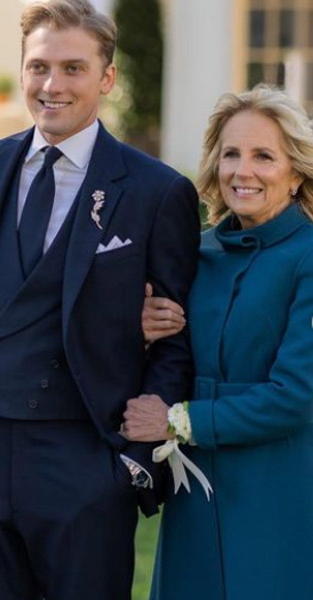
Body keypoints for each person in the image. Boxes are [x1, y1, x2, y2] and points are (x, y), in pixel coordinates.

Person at [0, 1, 200, 598]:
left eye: (73, 68)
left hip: (85, 457)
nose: (52, 85)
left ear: (106, 78)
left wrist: (132, 463)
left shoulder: (158, 192)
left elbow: (178, 343)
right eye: (39, 67)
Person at [126, 84, 313, 600]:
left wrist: (176, 420)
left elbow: (297, 394)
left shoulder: (309, 257)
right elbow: (174, 354)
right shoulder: (196, 253)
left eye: (263, 156)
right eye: (231, 153)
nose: (242, 171)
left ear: (295, 172)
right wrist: (142, 331)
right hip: (196, 491)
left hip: (278, 489)